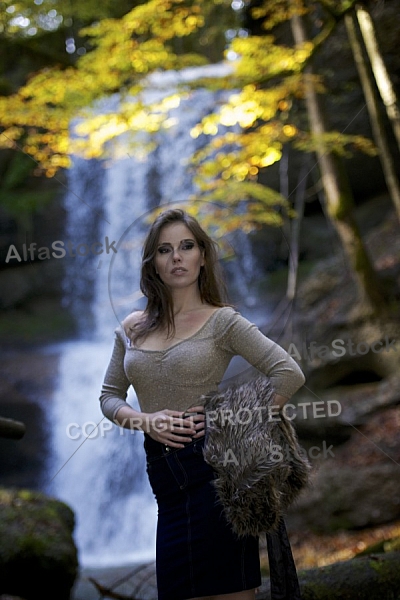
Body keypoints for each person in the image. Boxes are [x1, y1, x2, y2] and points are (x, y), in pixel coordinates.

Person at [99, 208, 305, 600]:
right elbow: (109, 397)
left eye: (186, 246)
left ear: (203, 256)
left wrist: (231, 418)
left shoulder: (223, 321)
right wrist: (146, 421)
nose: (176, 256)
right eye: (165, 249)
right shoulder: (131, 327)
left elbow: (289, 374)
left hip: (216, 476)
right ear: (154, 264)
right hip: (166, 484)